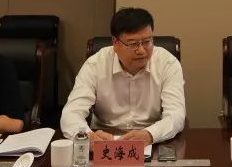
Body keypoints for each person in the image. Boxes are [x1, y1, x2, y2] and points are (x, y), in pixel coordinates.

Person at [60, 7, 185, 144]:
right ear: (115, 43)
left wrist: (150, 134)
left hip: (152, 140)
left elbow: (176, 115)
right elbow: (71, 113)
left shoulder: (167, 63)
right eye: (133, 44)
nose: (141, 51)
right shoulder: (95, 65)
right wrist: (88, 137)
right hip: (104, 139)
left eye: (147, 42)